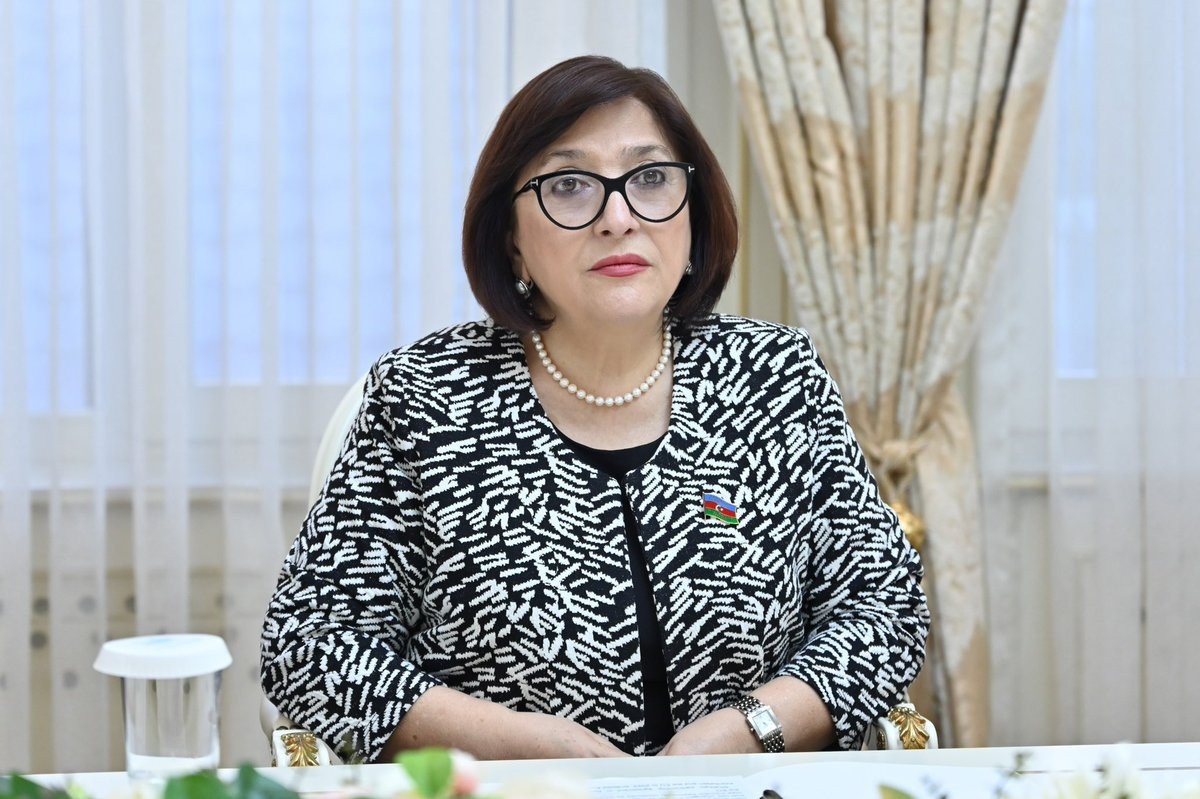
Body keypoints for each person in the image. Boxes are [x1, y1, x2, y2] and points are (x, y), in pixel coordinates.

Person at [260, 55, 928, 763]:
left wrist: (748, 729)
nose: (619, 218)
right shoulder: (424, 398)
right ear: (512, 237)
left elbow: (884, 607)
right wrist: (528, 746)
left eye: (650, 178)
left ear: (693, 214)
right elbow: (311, 645)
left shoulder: (774, 377)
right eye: (569, 186)